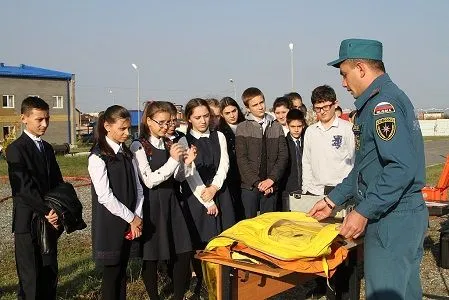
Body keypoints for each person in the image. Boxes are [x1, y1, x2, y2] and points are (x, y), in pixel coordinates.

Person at [309, 38, 428, 300]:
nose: (343, 83)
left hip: (393, 217)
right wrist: (332, 200)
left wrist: (363, 211)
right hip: (398, 214)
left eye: (344, 74)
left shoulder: (381, 105)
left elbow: (399, 168)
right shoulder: (382, 100)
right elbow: (366, 167)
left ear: (361, 68)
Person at [130, 101, 195, 300]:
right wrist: (174, 160)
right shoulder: (138, 146)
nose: (166, 127)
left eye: (169, 122)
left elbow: (178, 178)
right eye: (161, 122)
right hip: (152, 204)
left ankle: (178, 295)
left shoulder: (170, 144)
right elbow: (149, 180)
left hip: (172, 201)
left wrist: (187, 164)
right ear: (149, 121)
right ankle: (154, 296)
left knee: (183, 251)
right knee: (152, 256)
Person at [6, 96, 64, 299]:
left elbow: (58, 183)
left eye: (47, 119)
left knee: (49, 274)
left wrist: (58, 210)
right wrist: (47, 211)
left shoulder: (47, 148)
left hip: (49, 222)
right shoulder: (15, 149)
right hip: (27, 222)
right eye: (39, 119)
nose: (44, 124)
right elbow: (24, 188)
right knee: (30, 279)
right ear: (24, 118)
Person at [181, 98, 236, 294]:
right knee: (201, 241)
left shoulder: (218, 135)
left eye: (206, 116)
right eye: (198, 117)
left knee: (223, 238)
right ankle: (202, 283)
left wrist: (214, 187)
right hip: (197, 196)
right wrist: (207, 199)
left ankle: (225, 281)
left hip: (220, 191)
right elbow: (190, 174)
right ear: (189, 119)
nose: (203, 121)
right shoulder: (184, 139)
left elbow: (224, 165)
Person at [89, 105, 144, 300]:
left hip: (131, 220)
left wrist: (138, 216)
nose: (127, 133)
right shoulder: (98, 156)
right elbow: (104, 196)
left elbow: (138, 188)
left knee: (122, 272)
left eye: (128, 128)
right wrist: (131, 218)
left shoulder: (127, 153)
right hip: (111, 222)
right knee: (111, 275)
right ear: (107, 126)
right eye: (122, 128)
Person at [236, 87, 288, 218]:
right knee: (249, 226)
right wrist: (257, 183)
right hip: (250, 187)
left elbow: (283, 156)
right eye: (255, 105)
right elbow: (242, 159)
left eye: (261, 102)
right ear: (248, 108)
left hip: (271, 187)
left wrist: (271, 180)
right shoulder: (242, 128)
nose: (260, 107)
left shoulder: (276, 126)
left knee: (268, 226)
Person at [302, 85, 355, 201]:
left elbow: (354, 161)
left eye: (325, 107)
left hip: (340, 192)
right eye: (318, 108)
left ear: (335, 104)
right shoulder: (310, 131)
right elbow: (306, 162)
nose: (322, 112)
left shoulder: (348, 129)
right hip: (315, 191)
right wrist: (305, 189)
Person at [218, 96, 246, 220]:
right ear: (222, 115)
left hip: (248, 176)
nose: (232, 115)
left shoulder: (247, 126)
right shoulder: (220, 132)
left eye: (234, 111)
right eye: (227, 113)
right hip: (231, 177)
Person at [278, 109, 307, 211]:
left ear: (303, 125)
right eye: (293, 127)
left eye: (299, 126)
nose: (296, 130)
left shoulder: (308, 141)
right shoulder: (283, 143)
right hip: (287, 190)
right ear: (287, 125)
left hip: (306, 189)